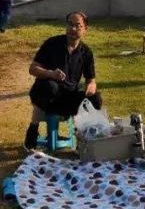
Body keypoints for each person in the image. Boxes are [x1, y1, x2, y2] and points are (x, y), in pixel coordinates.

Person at [23, 11, 101, 152]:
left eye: (78, 26)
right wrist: (51, 74)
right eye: (70, 25)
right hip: (46, 96)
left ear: (85, 29)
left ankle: (83, 139)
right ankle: (32, 132)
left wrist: (91, 87)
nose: (73, 29)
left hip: (68, 97)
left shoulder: (86, 53)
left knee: (96, 98)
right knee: (49, 86)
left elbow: (91, 80)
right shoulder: (52, 44)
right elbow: (33, 69)